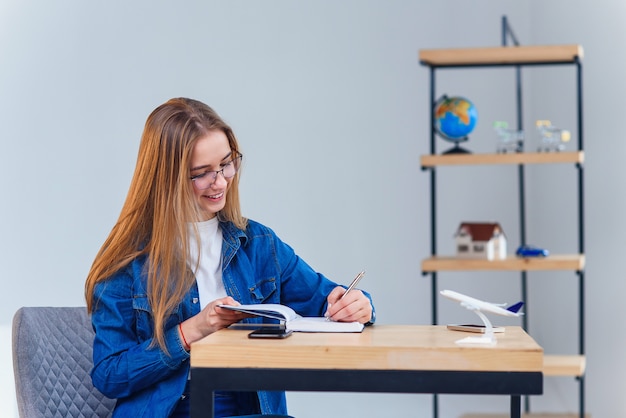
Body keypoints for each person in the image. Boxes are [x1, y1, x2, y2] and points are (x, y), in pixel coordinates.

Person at [84, 97, 375, 418]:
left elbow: (327, 299)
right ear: (166, 179)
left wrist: (356, 306)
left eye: (226, 164)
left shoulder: (259, 244)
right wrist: (190, 331)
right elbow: (109, 375)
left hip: (251, 403)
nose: (220, 181)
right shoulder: (128, 262)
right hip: (172, 409)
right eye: (201, 173)